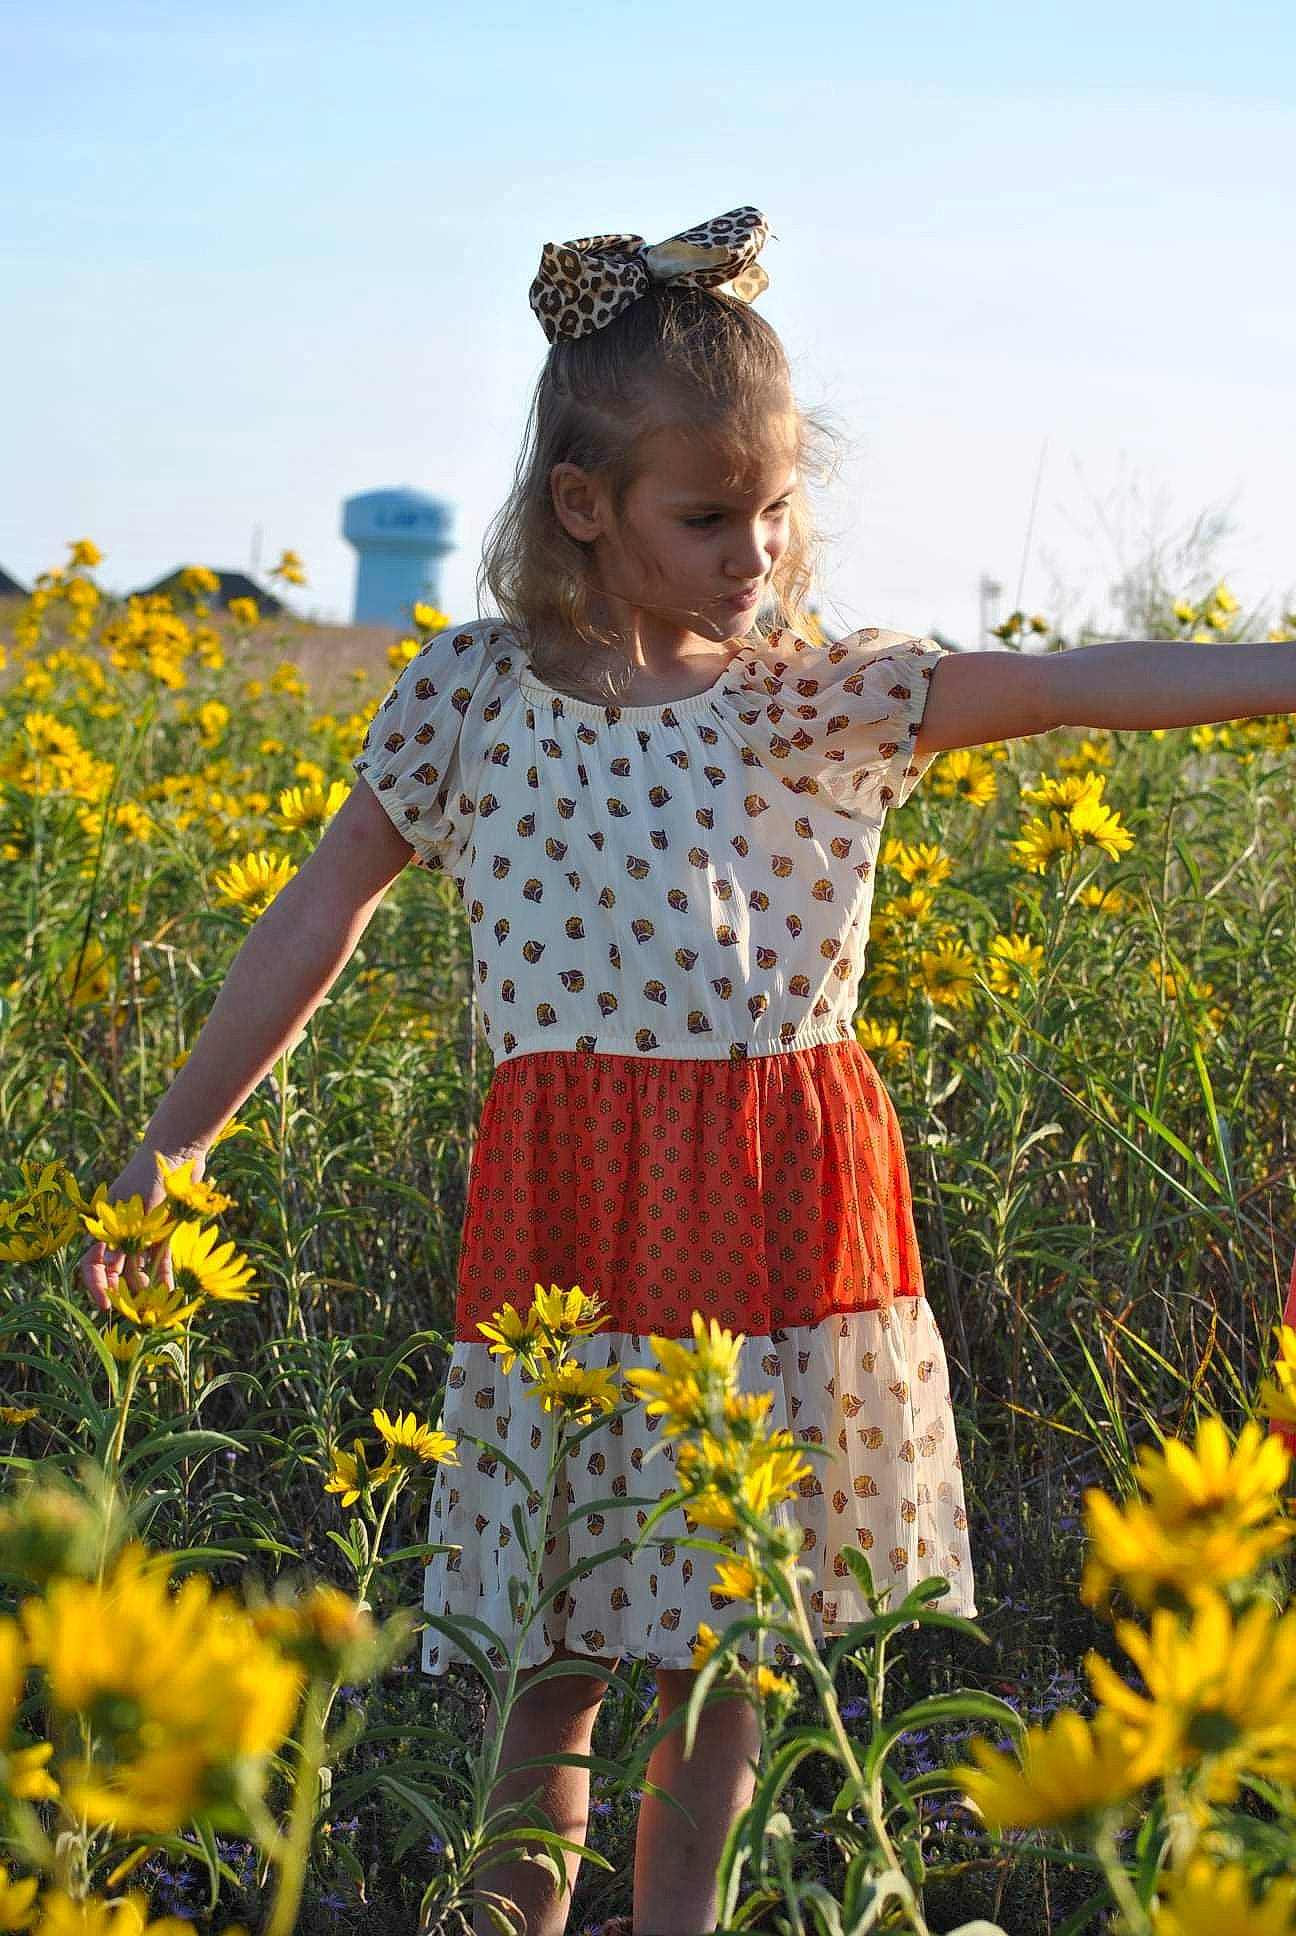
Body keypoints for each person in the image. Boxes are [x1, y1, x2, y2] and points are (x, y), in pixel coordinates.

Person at [80, 206, 1296, 1936]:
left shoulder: (811, 695)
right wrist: (173, 1142)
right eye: (707, 515)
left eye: (777, 509)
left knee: (729, 1654)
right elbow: (314, 921)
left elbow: (1069, 685)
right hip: (572, 1210)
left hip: (776, 1202)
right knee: (548, 1659)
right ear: (586, 504)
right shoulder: (471, 698)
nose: (755, 553)